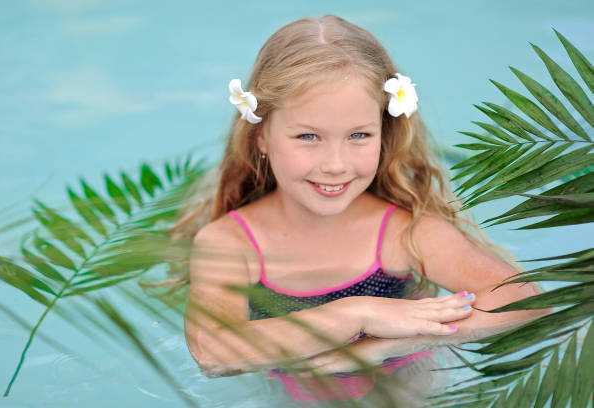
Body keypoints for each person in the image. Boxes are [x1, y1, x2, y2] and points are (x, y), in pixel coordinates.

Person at [172, 15, 551, 405]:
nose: (336, 164)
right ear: (261, 137)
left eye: (358, 135)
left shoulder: (403, 232)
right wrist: (356, 314)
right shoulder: (232, 242)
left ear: (384, 135)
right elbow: (212, 352)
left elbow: (528, 302)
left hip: (409, 386)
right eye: (308, 136)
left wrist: (386, 344)